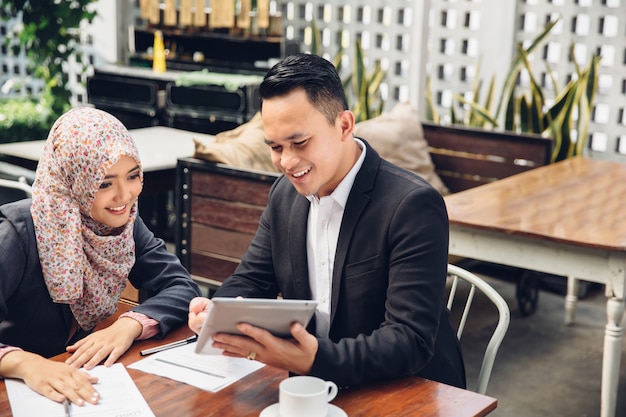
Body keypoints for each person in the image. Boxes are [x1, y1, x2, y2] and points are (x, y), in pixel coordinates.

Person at [188, 53, 465, 389]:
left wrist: (313, 359)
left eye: (299, 142)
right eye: (275, 146)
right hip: (316, 385)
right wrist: (217, 312)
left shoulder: (412, 205)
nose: (287, 161)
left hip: (408, 389)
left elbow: (409, 341)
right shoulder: (285, 196)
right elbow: (252, 279)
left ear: (344, 126)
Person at [0, 107, 200, 406]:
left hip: (81, 384)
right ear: (73, 178)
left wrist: (128, 325)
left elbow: (182, 287)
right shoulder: (17, 233)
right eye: (104, 183)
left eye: (132, 176)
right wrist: (25, 365)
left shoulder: (121, 224)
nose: (124, 196)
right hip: (18, 391)